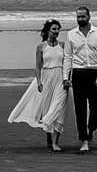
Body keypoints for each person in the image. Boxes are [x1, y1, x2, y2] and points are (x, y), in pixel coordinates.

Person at [6, 20, 71, 150]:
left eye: (58, 29)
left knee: (59, 108)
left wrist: (67, 79)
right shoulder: (41, 47)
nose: (57, 32)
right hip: (46, 77)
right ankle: (48, 134)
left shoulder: (63, 45)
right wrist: (39, 81)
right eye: (54, 29)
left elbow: (67, 64)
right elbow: (37, 66)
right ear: (48, 31)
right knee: (46, 108)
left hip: (60, 78)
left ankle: (55, 143)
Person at [61, 4, 97, 152]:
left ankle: (92, 127)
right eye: (78, 16)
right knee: (80, 109)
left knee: (96, 107)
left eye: (83, 16)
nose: (80, 19)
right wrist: (65, 77)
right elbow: (68, 57)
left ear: (89, 17)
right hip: (78, 74)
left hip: (95, 73)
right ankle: (84, 140)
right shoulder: (71, 35)